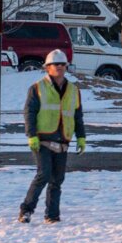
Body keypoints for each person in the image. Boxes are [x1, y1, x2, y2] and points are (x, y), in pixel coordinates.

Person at [19, 48, 85, 224]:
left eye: (63, 64)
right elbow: (29, 113)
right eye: (56, 64)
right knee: (44, 174)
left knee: (58, 179)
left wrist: (81, 137)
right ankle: (26, 210)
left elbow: (77, 115)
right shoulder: (37, 88)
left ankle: (52, 215)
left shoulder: (73, 90)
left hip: (63, 139)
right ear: (47, 67)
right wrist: (31, 135)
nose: (60, 67)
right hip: (42, 139)